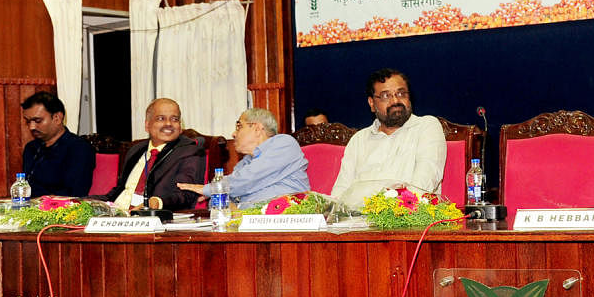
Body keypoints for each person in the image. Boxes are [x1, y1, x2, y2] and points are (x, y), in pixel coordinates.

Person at [329, 69, 446, 209]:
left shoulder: (426, 127)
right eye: (386, 96)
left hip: (407, 220)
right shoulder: (359, 140)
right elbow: (340, 192)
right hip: (355, 222)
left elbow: (422, 186)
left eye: (401, 93)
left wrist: (384, 211)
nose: (396, 100)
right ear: (372, 103)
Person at [178, 108, 309, 209]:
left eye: (239, 126)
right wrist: (220, 196)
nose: (233, 133)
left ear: (257, 128)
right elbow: (220, 199)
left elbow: (248, 179)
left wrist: (208, 189)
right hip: (249, 224)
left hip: (284, 222)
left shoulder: (284, 143)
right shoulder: (245, 163)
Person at [94, 98, 205, 211]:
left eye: (174, 119)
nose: (168, 124)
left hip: (154, 219)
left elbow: (186, 195)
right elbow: (118, 192)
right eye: (161, 118)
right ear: (147, 125)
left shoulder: (190, 151)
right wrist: (81, 200)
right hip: (116, 215)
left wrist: (157, 202)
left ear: (180, 126)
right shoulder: (136, 150)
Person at [19, 91, 95, 197]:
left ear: (57, 118)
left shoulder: (78, 148)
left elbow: (74, 193)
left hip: (61, 209)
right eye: (28, 121)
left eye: (37, 120)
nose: (31, 127)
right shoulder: (31, 148)